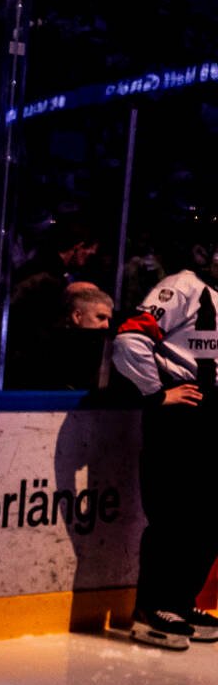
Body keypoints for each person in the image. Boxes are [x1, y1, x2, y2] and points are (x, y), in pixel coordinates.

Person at [109, 218, 218, 648]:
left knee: (209, 517)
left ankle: (181, 598)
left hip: (211, 416)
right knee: (174, 515)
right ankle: (153, 607)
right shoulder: (180, 286)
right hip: (182, 415)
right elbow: (128, 341)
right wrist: (158, 395)